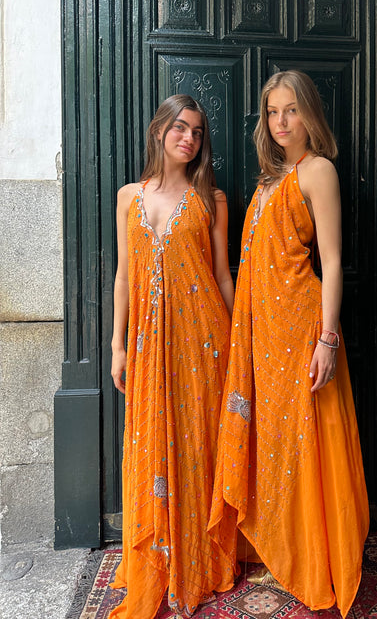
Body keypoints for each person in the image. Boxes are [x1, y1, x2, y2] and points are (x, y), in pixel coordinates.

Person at [208, 70, 369, 618]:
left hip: (302, 329)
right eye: (273, 112)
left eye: (291, 110)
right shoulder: (267, 180)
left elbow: (332, 261)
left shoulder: (317, 171)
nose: (280, 122)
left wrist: (327, 338)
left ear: (309, 115)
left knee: (304, 442)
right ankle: (281, 549)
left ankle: (316, 558)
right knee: (275, 443)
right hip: (264, 337)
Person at [110, 94, 235, 618]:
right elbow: (123, 275)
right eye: (181, 128)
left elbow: (223, 275)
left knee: (196, 444)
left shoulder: (213, 199)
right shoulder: (127, 197)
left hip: (201, 343)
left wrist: (239, 344)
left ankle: (198, 555)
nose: (189, 138)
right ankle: (157, 552)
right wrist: (117, 345)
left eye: (198, 133)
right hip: (146, 346)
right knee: (149, 442)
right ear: (160, 130)